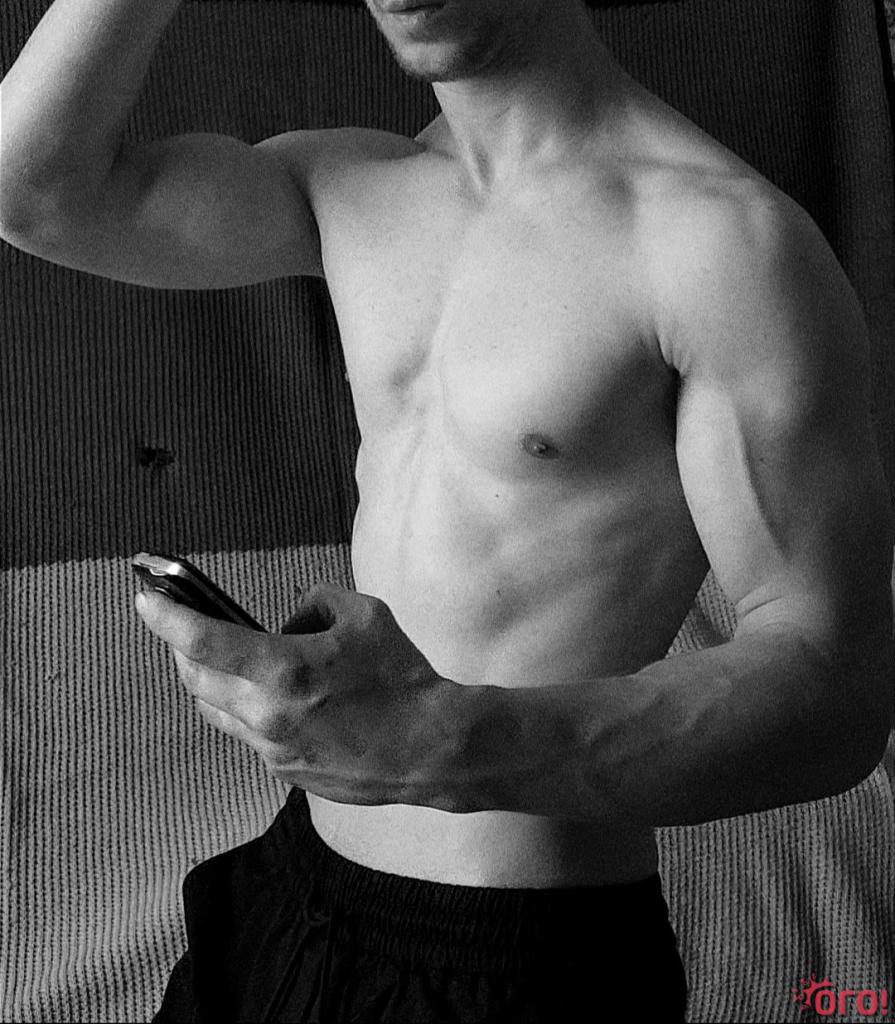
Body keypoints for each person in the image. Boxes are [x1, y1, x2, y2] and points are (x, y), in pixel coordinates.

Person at [2, 0, 892, 1020]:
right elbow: (33, 192)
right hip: (289, 889)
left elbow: (833, 689)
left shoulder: (719, 242)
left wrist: (447, 741)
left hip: (512, 956)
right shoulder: (356, 185)